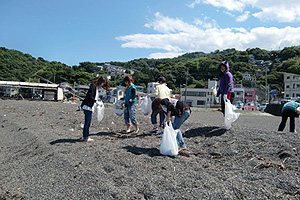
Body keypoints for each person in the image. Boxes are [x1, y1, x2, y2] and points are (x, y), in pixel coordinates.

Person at [81, 76, 110, 142]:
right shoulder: (93, 87)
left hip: (88, 106)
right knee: (87, 122)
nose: (102, 85)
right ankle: (86, 137)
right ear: (101, 82)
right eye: (102, 83)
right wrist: (95, 101)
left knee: (87, 122)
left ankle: (85, 136)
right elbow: (90, 96)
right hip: (88, 106)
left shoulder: (94, 87)